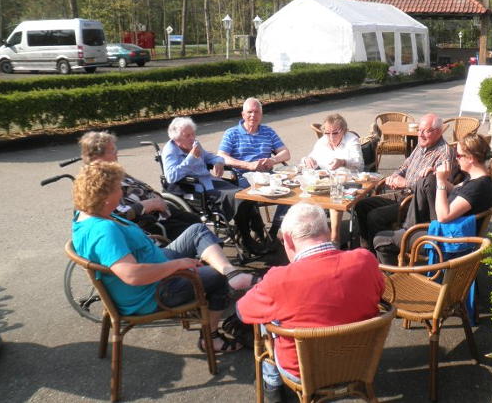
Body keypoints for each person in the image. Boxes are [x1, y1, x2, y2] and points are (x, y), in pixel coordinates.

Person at [71, 161, 255, 353]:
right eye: (118, 188)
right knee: (217, 278)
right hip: (152, 294)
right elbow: (133, 275)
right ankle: (210, 337)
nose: (122, 192)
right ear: (105, 196)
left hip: (155, 266)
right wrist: (178, 265)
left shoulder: (86, 215)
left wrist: (143, 243)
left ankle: (232, 273)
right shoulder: (103, 230)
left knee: (196, 231)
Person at [236, 203, 385, 402]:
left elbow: (242, 311)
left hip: (302, 371)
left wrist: (258, 285)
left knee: (266, 321)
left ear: (287, 239)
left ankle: (272, 386)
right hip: (360, 362)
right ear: (327, 231)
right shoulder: (365, 260)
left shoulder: (278, 280)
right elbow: (380, 292)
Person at [373, 132, 492, 264]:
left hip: (447, 238)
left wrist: (440, 181)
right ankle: (408, 229)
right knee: (427, 181)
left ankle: (395, 278)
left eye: (458, 155)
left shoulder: (478, 186)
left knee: (381, 240)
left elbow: (443, 217)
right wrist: (437, 176)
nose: (455, 159)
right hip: (448, 228)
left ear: (471, 158)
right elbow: (457, 190)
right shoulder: (476, 178)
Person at [161, 116, 265, 252]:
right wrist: (191, 158)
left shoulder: (194, 144)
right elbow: (171, 176)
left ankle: (259, 233)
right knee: (238, 197)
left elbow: (210, 156)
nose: (192, 138)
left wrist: (218, 161)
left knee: (246, 194)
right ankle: (246, 240)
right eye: (188, 135)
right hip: (195, 189)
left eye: (193, 134)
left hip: (209, 182)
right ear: (176, 139)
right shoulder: (170, 151)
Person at [353, 113, 456, 248]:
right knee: (361, 205)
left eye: (426, 131)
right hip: (403, 194)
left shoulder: (444, 153)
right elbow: (405, 166)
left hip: (415, 203)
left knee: (375, 216)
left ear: (438, 132)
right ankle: (366, 252)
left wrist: (406, 183)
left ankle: (382, 256)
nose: (420, 134)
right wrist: (394, 177)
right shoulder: (422, 145)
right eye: (419, 130)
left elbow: (432, 187)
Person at [79, 131, 200, 240]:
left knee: (196, 221)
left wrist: (157, 199)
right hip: (149, 223)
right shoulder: (98, 181)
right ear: (96, 156)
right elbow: (117, 215)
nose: (117, 153)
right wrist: (149, 204)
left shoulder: (113, 170)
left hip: (161, 211)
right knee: (196, 233)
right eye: (112, 150)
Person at [218, 98, 291, 238]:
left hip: (267, 174)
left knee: (292, 192)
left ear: (261, 115)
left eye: (256, 112)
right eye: (249, 112)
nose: (253, 115)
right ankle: (256, 229)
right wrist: (248, 165)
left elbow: (286, 153)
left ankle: (275, 228)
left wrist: (273, 159)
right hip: (243, 176)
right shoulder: (231, 133)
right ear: (243, 115)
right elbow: (222, 156)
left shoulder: (268, 131)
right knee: (248, 196)